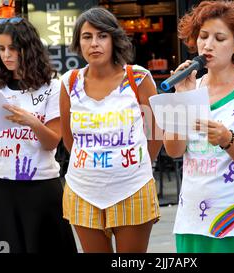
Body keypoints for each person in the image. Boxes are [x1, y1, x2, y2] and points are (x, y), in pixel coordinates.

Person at [0, 17, 77, 253]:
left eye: (13, 48)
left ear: (28, 48)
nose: (6, 55)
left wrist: (31, 122)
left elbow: (52, 141)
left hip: (40, 187)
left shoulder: (52, 87)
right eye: (1, 49)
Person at [164, 0, 234, 253]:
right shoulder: (191, 86)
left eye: (219, 38)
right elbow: (174, 150)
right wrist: (182, 98)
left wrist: (227, 139)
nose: (208, 45)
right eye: (203, 36)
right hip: (193, 213)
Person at [59, 7, 163, 253]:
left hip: (132, 187)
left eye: (102, 36)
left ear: (114, 39)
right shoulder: (69, 82)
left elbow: (156, 133)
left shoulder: (138, 79)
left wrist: (136, 165)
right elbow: (68, 139)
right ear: (78, 42)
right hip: (82, 189)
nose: (94, 43)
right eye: (87, 37)